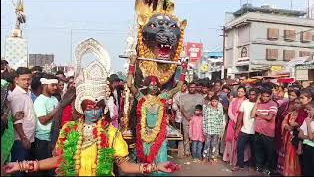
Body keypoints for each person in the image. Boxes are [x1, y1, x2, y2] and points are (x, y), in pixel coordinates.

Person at [3, 57, 178, 176]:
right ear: (82, 107)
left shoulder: (111, 134)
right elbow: (59, 160)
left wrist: (156, 166)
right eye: (89, 107)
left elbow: (124, 165)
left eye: (98, 108)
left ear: (103, 109)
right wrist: (21, 165)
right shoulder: (69, 129)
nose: (94, 112)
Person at [127, 55, 187, 175]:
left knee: (161, 161)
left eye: (156, 85)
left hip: (160, 136)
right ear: (146, 85)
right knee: (146, 165)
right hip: (144, 137)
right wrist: (132, 64)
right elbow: (129, 84)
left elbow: (179, 87)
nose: (154, 87)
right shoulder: (141, 98)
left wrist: (183, 69)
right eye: (151, 84)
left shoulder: (162, 98)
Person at [7, 67, 36, 177]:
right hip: (21, 140)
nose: (27, 82)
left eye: (29, 79)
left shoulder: (26, 93)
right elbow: (17, 121)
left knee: (24, 168)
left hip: (27, 138)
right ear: (16, 79)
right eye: (23, 79)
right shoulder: (17, 96)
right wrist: (23, 138)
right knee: (18, 168)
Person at [33, 74, 60, 175]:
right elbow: (43, 120)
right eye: (52, 85)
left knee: (52, 170)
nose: (55, 87)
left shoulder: (54, 99)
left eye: (56, 85)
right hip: (42, 141)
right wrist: (56, 110)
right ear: (45, 85)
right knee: (42, 170)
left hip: (52, 138)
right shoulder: (40, 101)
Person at [251, 87, 278, 175]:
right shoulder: (259, 103)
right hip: (258, 132)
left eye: (267, 96)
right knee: (258, 151)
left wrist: (258, 113)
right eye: (263, 96)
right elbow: (252, 115)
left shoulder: (273, 104)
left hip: (268, 133)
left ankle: (267, 168)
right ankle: (259, 167)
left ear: (270, 96)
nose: (265, 98)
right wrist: (257, 102)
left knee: (269, 152)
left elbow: (269, 117)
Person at [232, 88, 259, 171]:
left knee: (254, 149)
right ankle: (240, 165)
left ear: (257, 95)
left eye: (253, 94)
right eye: (250, 94)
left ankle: (253, 165)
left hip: (255, 131)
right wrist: (237, 128)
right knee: (240, 148)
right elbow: (240, 116)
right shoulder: (245, 102)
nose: (251, 96)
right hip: (244, 130)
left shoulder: (260, 104)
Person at [1, 79, 24, 175]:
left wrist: (13, 118)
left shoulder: (4, 106)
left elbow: (6, 125)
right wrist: (6, 112)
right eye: (3, 92)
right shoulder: (5, 108)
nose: (6, 95)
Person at [275, 88, 300, 174]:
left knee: (292, 153)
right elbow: (281, 117)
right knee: (284, 150)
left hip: (295, 136)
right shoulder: (285, 104)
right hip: (284, 132)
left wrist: (294, 126)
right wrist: (285, 125)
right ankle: (284, 170)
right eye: (290, 94)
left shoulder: (302, 112)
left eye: (293, 95)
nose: (290, 97)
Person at [223, 86, 247, 167]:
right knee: (230, 140)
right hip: (232, 121)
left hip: (242, 123)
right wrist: (234, 119)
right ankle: (229, 158)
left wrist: (239, 121)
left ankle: (238, 159)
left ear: (245, 93)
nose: (240, 93)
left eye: (241, 91)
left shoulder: (246, 101)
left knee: (239, 141)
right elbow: (229, 111)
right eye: (239, 91)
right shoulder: (233, 100)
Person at [180, 82, 205, 157]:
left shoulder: (200, 97)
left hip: (197, 121)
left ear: (196, 88)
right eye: (190, 87)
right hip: (186, 119)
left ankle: (197, 152)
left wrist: (198, 116)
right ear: (188, 88)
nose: (192, 88)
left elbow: (203, 108)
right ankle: (187, 151)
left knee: (197, 136)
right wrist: (187, 116)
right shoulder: (183, 97)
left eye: (193, 87)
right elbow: (181, 108)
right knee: (187, 135)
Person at [281, 99, 302, 176]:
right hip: (288, 137)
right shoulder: (289, 114)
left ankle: (294, 173)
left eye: (298, 103)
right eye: (295, 103)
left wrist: (296, 126)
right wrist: (286, 126)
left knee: (295, 155)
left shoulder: (304, 115)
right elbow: (284, 123)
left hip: (297, 138)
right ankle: (288, 172)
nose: (296, 105)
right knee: (289, 154)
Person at [298, 101, 314, 176]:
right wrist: (313, 138)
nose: (307, 111)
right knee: (306, 169)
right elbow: (300, 135)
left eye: (309, 110)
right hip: (306, 147)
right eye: (307, 110)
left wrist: (308, 124)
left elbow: (310, 137)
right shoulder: (307, 119)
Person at [202, 95, 225, 163]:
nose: (214, 103)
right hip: (208, 129)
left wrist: (220, 130)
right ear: (210, 101)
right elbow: (204, 119)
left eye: (215, 101)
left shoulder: (220, 109)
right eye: (213, 101)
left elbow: (221, 120)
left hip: (216, 130)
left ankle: (212, 157)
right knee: (207, 144)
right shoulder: (207, 109)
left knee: (214, 144)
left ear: (218, 102)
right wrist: (204, 129)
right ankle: (205, 157)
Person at [172, 81, 188, 158]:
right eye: (181, 86)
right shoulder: (176, 94)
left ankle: (186, 149)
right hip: (178, 117)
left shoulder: (188, 94)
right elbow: (174, 105)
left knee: (186, 134)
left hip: (187, 117)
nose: (183, 87)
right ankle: (179, 149)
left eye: (184, 86)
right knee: (178, 133)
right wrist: (177, 107)